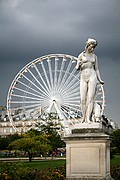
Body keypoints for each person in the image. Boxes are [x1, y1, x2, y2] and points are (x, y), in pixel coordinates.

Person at [76, 38, 104, 123]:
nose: (92, 48)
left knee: (91, 98)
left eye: (94, 47)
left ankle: (88, 118)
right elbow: (77, 68)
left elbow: (96, 69)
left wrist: (100, 79)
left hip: (92, 76)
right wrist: (79, 64)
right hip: (83, 76)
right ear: (88, 45)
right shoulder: (81, 55)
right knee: (82, 99)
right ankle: (83, 118)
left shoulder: (94, 57)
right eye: (91, 46)